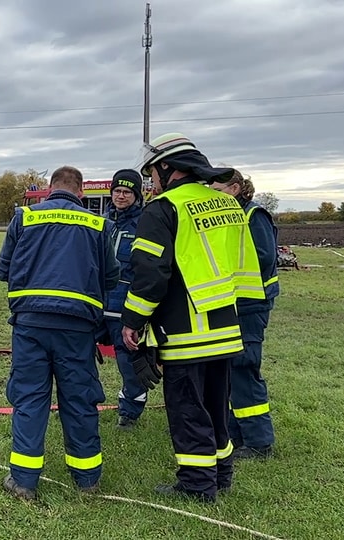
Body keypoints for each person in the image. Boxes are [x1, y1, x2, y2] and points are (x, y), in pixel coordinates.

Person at [121, 133, 265, 503]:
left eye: (152, 173)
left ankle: (197, 486)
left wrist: (132, 320)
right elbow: (245, 267)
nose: (151, 181)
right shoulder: (227, 205)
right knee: (217, 405)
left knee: (188, 410)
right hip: (228, 326)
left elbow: (150, 274)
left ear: (167, 168)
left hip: (185, 332)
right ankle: (222, 474)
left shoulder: (163, 209)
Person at [0, 165, 120, 500]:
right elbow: (111, 278)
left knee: (29, 399)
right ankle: (87, 481)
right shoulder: (98, 224)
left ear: (50, 189)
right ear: (80, 192)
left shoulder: (24, 217)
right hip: (78, 328)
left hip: (30, 325)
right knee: (79, 400)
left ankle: (23, 482)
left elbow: (2, 271)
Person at [210, 171, 280, 459]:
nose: (212, 196)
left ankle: (259, 441)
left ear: (236, 188)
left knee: (244, 368)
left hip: (250, 305)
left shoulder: (253, 215)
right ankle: (235, 433)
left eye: (217, 190)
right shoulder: (226, 216)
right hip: (232, 303)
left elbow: (263, 257)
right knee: (229, 370)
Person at [102, 169, 148, 430]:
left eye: (127, 192)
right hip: (97, 303)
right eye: (117, 191)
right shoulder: (103, 221)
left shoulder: (145, 224)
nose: (121, 196)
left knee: (127, 362)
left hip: (125, 306)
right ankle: (84, 402)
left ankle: (130, 411)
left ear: (136, 195)